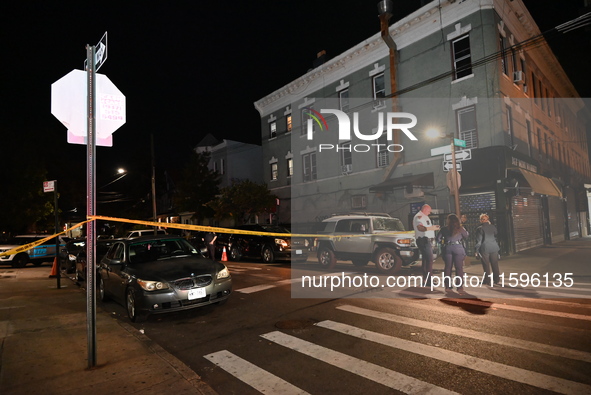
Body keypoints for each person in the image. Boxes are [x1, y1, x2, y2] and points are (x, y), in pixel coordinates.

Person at [436, 214, 469, 294]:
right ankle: (460, 287)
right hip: (458, 248)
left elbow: (438, 239)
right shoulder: (460, 229)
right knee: (459, 268)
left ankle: (447, 286)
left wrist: (443, 242)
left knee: (448, 268)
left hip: (448, 248)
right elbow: (466, 236)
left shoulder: (444, 229)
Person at [413, 204, 440, 284]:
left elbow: (426, 227)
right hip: (423, 240)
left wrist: (433, 227)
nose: (429, 213)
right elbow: (420, 228)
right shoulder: (419, 217)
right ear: (425, 209)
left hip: (426, 241)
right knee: (429, 259)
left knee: (426, 260)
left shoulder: (424, 216)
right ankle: (429, 280)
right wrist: (432, 228)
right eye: (428, 211)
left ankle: (426, 278)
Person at [474, 214, 501, 285]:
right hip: (494, 247)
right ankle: (497, 279)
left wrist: (476, 250)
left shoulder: (479, 229)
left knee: (486, 265)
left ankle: (487, 280)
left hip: (485, 248)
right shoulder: (492, 227)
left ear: (481, 220)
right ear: (488, 220)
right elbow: (496, 233)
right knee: (495, 264)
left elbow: (479, 241)